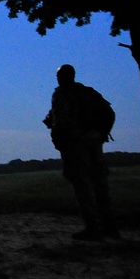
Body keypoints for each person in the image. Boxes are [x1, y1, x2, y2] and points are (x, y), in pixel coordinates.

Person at [43, 65, 120, 241]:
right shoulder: (88, 92)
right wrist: (100, 134)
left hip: (76, 144)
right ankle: (110, 227)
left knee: (82, 184)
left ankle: (93, 228)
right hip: (94, 141)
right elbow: (109, 112)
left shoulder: (61, 94)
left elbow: (60, 122)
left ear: (60, 77)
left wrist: (61, 141)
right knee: (100, 183)